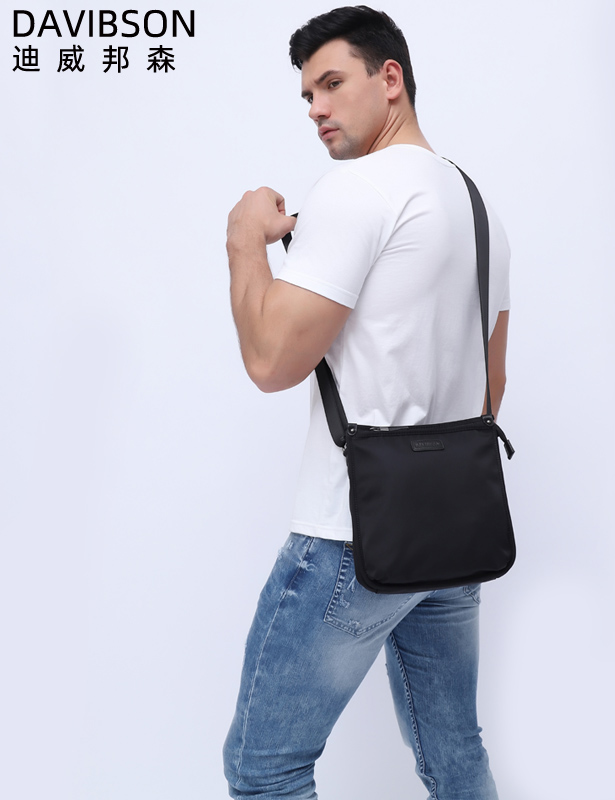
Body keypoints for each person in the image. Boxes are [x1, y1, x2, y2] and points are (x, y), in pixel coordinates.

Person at [222, 6, 510, 799]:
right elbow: (491, 386)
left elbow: (270, 362)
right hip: (454, 534)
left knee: (264, 769)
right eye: (307, 95)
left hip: (351, 537)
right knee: (455, 757)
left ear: (390, 79)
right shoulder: (475, 205)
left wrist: (244, 241)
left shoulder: (357, 191)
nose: (316, 107)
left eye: (331, 83)